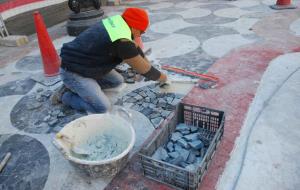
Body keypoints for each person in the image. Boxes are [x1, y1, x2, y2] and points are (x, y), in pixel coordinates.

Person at [51, 7, 168, 113]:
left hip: (87, 63)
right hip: (72, 69)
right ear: (134, 27)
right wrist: (164, 78)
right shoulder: (122, 41)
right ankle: (65, 96)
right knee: (102, 107)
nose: (141, 34)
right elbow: (144, 69)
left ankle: (80, 88)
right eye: (142, 31)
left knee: (116, 81)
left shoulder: (118, 23)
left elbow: (136, 50)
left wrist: (146, 60)